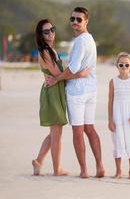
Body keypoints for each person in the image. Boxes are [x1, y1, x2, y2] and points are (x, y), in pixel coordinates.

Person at [46, 7, 105, 178]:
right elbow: (80, 68)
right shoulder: (90, 39)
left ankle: (84, 170)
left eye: (79, 19)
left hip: (77, 92)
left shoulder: (80, 41)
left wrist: (56, 79)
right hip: (91, 89)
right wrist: (76, 73)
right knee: (90, 129)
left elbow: (72, 68)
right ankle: (100, 166)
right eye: (72, 19)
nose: (75, 22)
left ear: (86, 21)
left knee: (78, 131)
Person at [32, 19, 88, 176]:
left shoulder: (51, 50)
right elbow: (58, 74)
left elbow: (58, 75)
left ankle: (38, 161)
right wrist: (80, 75)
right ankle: (57, 170)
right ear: (40, 35)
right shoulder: (44, 52)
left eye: (52, 29)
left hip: (56, 91)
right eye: (46, 31)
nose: (51, 33)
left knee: (54, 132)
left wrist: (64, 76)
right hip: (52, 94)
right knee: (56, 134)